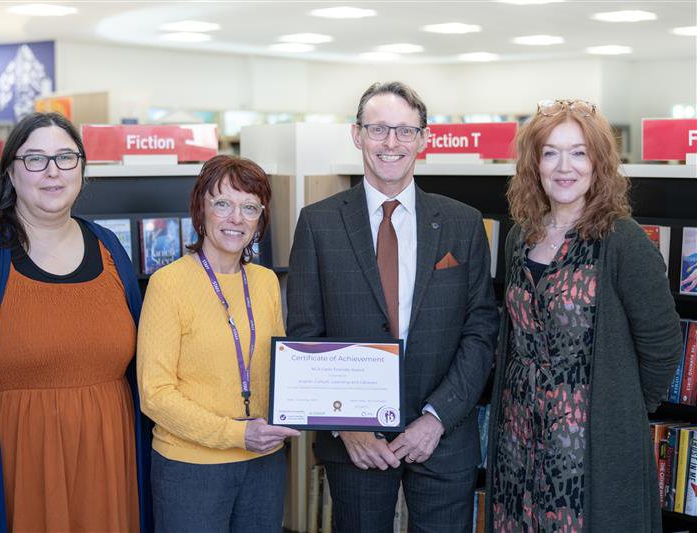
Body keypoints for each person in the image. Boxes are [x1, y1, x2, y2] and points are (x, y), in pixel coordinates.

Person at [0, 112, 152, 532]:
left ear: (82, 169)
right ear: (11, 172)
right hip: (13, 467)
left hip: (109, 464)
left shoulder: (109, 247)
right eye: (35, 159)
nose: (52, 171)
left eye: (65, 157)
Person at [287, 81, 499, 532]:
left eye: (405, 131)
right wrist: (347, 427)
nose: (391, 143)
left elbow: (481, 328)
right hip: (357, 441)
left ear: (423, 139)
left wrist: (437, 417)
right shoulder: (317, 222)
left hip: (442, 434)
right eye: (379, 128)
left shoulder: (462, 222)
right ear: (356, 134)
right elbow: (306, 334)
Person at [486, 99, 684, 532]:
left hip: (590, 449)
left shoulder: (623, 240)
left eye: (579, 152)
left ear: (598, 162)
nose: (564, 166)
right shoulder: (521, 235)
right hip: (519, 440)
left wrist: (621, 410)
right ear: (534, 163)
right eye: (550, 152)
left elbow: (664, 343)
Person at [137, 155, 300, 533]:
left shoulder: (265, 282)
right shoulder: (169, 284)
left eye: (249, 208)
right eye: (222, 203)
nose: (235, 219)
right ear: (201, 209)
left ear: (260, 219)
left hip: (264, 462)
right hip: (191, 467)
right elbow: (155, 394)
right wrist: (237, 434)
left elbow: (278, 371)